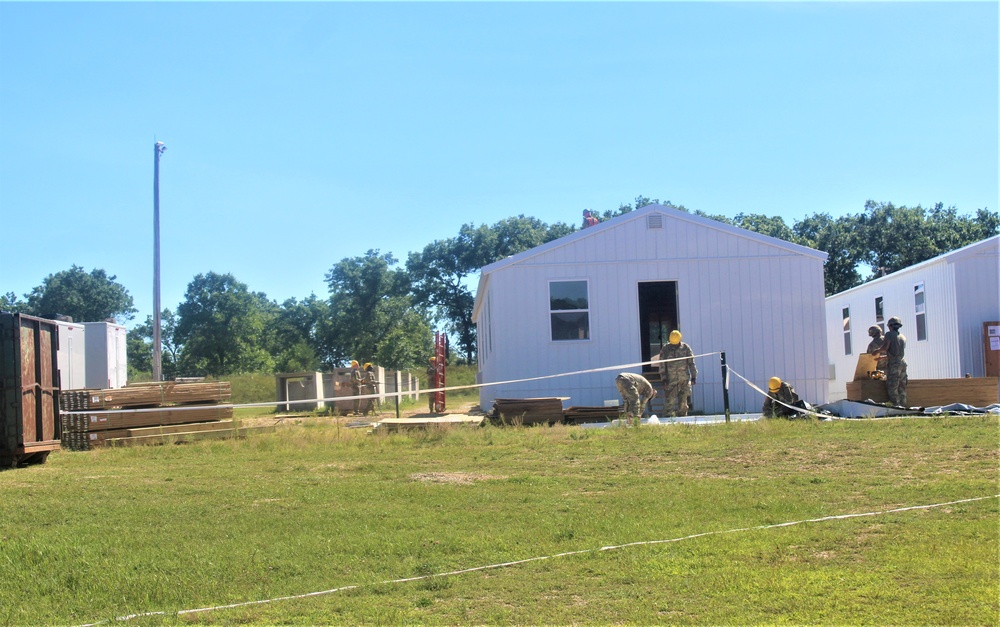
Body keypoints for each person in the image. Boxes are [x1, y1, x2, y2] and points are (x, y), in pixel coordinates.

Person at [657, 330, 697, 416]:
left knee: (683, 402)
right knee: (669, 402)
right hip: (671, 380)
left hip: (684, 380)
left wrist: (694, 376)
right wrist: (663, 379)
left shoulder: (686, 348)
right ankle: (667, 420)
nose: (674, 345)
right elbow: (662, 365)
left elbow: (691, 363)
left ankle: (682, 420)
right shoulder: (665, 349)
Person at [880, 316, 908, 406]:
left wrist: (877, 351)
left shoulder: (889, 334)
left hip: (894, 364)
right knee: (902, 385)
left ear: (890, 326)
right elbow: (896, 352)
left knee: (892, 385)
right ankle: (903, 405)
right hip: (902, 362)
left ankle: (896, 406)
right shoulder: (903, 337)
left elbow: (886, 347)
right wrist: (882, 358)